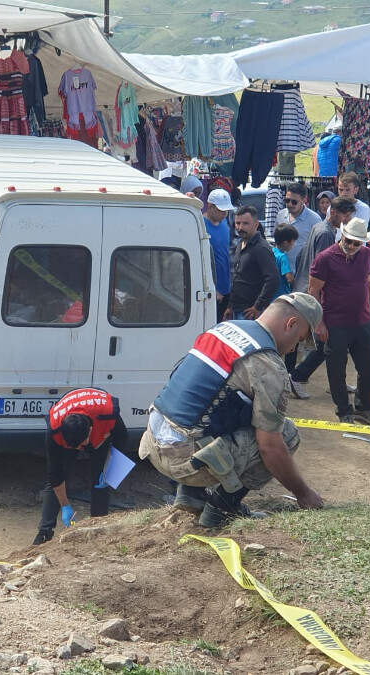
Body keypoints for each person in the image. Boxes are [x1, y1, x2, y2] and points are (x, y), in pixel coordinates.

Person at [139, 295, 325, 528]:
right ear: (291, 324)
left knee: (226, 408)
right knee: (287, 434)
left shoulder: (223, 328)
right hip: (183, 460)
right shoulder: (267, 364)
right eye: (299, 339)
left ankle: (191, 494)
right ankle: (222, 509)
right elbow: (270, 448)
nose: (294, 348)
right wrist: (303, 493)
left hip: (153, 442)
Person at [308, 217, 370, 426]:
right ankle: (343, 409)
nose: (350, 246)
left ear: (363, 243)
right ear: (342, 235)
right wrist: (319, 323)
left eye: (356, 243)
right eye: (348, 241)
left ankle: (363, 407)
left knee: (369, 368)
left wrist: (367, 308)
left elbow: (369, 282)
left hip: (362, 322)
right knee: (336, 370)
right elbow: (313, 291)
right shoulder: (325, 258)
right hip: (335, 323)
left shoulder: (366, 254)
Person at [32, 387, 129, 545]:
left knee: (99, 481)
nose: (79, 449)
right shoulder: (54, 429)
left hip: (99, 434)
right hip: (74, 432)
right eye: (75, 446)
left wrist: (113, 471)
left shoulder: (107, 414)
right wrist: (65, 506)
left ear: (90, 431)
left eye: (81, 445)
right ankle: (44, 532)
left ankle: (97, 530)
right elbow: (54, 472)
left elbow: (122, 439)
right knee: (58, 476)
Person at [287, 196, 357, 398]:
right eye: (345, 215)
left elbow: (301, 256)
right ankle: (296, 377)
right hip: (315, 293)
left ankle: (334, 382)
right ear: (333, 213)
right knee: (327, 342)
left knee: (328, 343)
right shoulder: (326, 233)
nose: (347, 219)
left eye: (349, 215)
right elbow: (324, 269)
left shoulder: (319, 227)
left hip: (305, 288)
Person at [225, 206, 277, 321]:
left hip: (251, 312)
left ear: (256, 224)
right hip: (237, 309)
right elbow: (238, 278)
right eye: (238, 223)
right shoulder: (240, 244)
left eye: (245, 223)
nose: (240, 227)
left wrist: (258, 306)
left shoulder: (261, 248)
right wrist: (230, 306)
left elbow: (273, 280)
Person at [202, 189, 235, 323]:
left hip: (226, 287)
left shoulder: (224, 223)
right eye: (221, 210)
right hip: (211, 291)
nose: (225, 213)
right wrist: (211, 288)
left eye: (226, 210)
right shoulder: (201, 226)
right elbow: (200, 261)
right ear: (210, 206)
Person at [275, 182, 320, 272]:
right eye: (287, 201)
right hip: (280, 270)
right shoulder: (281, 215)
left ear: (304, 200)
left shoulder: (314, 220)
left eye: (294, 202)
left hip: (302, 272)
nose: (290, 204)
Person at [272, 224, 298, 298]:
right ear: (286, 243)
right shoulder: (282, 257)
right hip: (283, 295)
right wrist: (295, 284)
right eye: (293, 241)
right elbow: (289, 278)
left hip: (271, 294)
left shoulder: (271, 252)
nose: (293, 244)